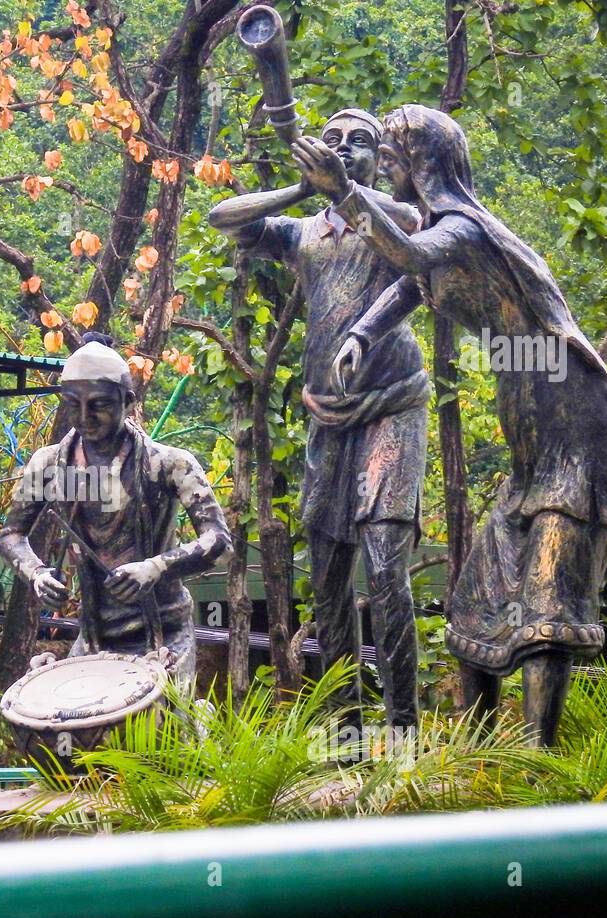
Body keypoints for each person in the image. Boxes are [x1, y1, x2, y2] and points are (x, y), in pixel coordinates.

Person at [292, 104, 607, 745]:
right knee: (479, 599)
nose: (381, 172)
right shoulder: (447, 232)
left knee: (546, 600)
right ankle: (476, 760)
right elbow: (414, 282)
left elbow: (410, 253)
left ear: (420, 167)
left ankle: (538, 764)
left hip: (577, 427)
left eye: (388, 160)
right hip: (530, 431)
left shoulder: (463, 230)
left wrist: (345, 195)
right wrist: (363, 331)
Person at [209, 108, 428, 745]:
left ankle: (405, 731)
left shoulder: (401, 218)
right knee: (327, 574)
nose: (345, 151)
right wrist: (305, 187)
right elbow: (225, 217)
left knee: (387, 569)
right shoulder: (305, 231)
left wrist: (346, 192)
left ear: (382, 160)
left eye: (361, 144)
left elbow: (416, 274)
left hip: (393, 406)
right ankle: (345, 734)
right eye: (333, 143)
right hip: (326, 416)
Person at [0, 334, 231, 689]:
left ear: (128, 401)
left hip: (164, 636)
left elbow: (219, 542)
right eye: (73, 404)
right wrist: (37, 574)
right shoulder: (48, 465)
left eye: (100, 405)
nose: (85, 417)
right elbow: (12, 535)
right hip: (92, 638)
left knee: (163, 735)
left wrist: (155, 567)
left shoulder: (169, 464)